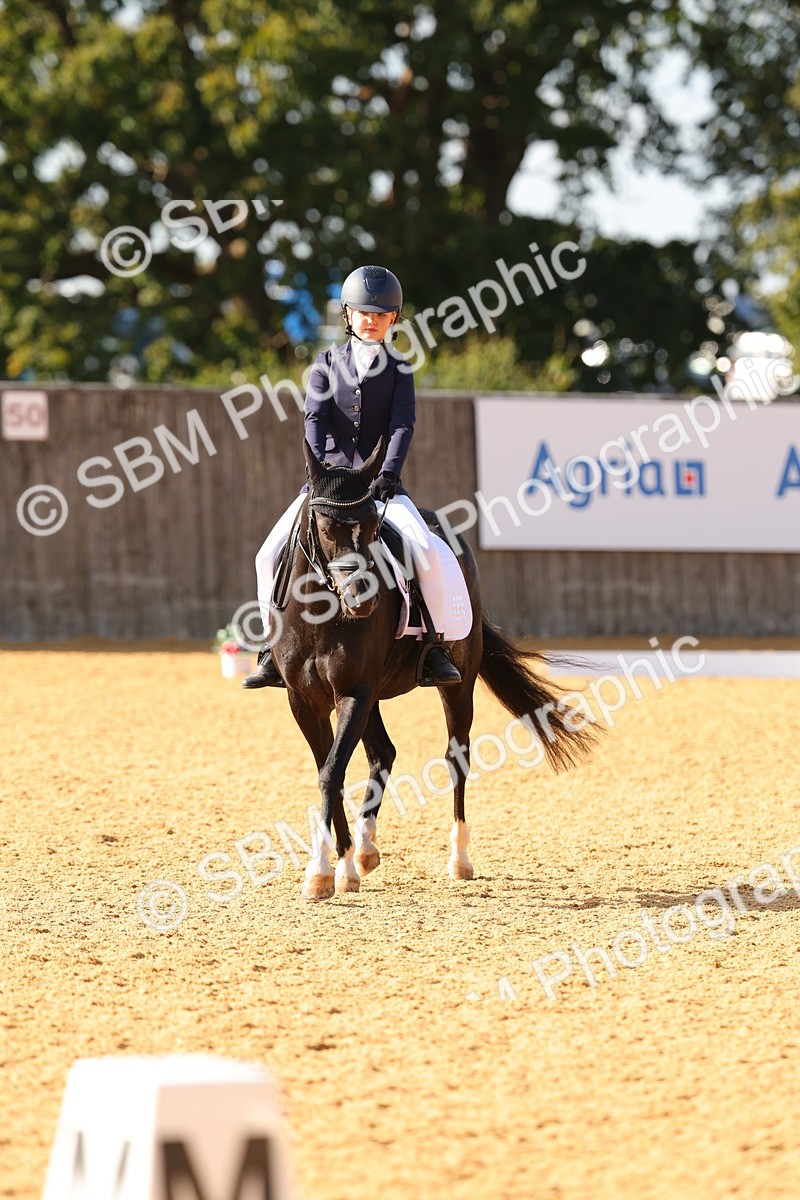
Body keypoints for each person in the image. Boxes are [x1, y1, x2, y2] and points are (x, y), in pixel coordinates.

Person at [243, 263, 465, 689]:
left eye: (382, 315)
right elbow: (314, 418)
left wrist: (388, 474)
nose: (373, 320)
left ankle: (435, 647)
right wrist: (319, 471)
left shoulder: (400, 370)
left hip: (381, 488)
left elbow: (402, 426)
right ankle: (271, 649)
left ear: (394, 319)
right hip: (327, 485)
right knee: (267, 555)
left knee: (427, 552)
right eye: (365, 313)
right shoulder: (326, 364)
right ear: (348, 315)